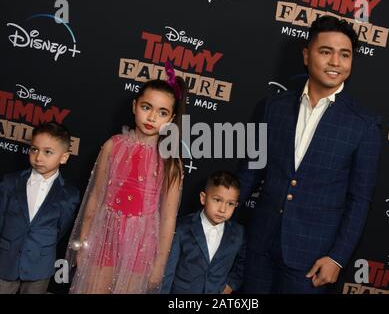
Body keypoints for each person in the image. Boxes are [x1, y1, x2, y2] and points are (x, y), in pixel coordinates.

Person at [238, 15, 381, 293]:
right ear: (306, 55)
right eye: (325, 52)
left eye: (345, 55)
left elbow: (360, 200)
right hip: (258, 248)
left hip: (313, 260)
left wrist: (338, 258)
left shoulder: (363, 125)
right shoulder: (273, 108)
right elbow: (250, 173)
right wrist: (216, 224)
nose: (335, 62)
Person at [66, 62, 186, 294]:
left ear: (171, 119)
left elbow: (169, 218)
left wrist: (159, 265)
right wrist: (82, 243)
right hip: (104, 235)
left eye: (162, 112)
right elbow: (95, 197)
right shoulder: (113, 146)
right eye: (146, 107)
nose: (152, 117)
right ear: (134, 106)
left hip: (142, 244)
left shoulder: (171, 161)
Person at [0, 122, 79, 294]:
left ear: (64, 157)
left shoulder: (69, 195)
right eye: (34, 149)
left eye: (48, 152)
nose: (38, 157)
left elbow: (61, 229)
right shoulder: (10, 182)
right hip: (5, 262)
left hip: (40, 266)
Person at [161, 170, 245, 294]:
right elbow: (169, 269)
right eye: (217, 200)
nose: (223, 209)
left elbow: (241, 264)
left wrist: (230, 285)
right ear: (203, 198)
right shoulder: (182, 227)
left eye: (230, 204)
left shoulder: (238, 233)